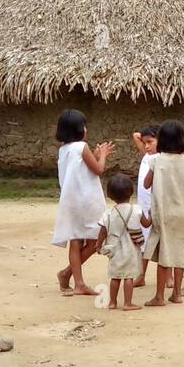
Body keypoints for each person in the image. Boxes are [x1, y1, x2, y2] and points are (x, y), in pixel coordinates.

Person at [53, 109, 114, 297]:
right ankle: (70, 276)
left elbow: (81, 170)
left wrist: (94, 155)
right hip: (85, 200)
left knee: (75, 240)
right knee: (96, 239)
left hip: (70, 200)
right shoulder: (81, 147)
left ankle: (71, 277)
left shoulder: (64, 150)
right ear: (80, 129)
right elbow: (98, 169)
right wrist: (102, 154)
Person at [141, 120, 184, 306]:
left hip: (164, 214)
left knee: (164, 254)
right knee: (178, 251)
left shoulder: (157, 160)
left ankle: (159, 296)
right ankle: (177, 293)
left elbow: (146, 184)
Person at [95, 174, 142, 311]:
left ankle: (113, 302)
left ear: (110, 195)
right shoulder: (136, 210)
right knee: (128, 277)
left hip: (114, 249)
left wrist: (98, 245)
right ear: (131, 191)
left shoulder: (108, 213)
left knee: (115, 277)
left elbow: (103, 231)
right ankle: (128, 303)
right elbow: (146, 222)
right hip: (131, 249)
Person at [132, 125, 159, 288]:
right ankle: (141, 275)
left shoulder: (161, 158)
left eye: (150, 142)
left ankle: (168, 277)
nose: (146, 146)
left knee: (162, 243)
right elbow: (135, 135)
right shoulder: (147, 156)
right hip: (144, 207)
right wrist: (145, 138)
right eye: (144, 142)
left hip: (157, 206)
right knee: (145, 243)